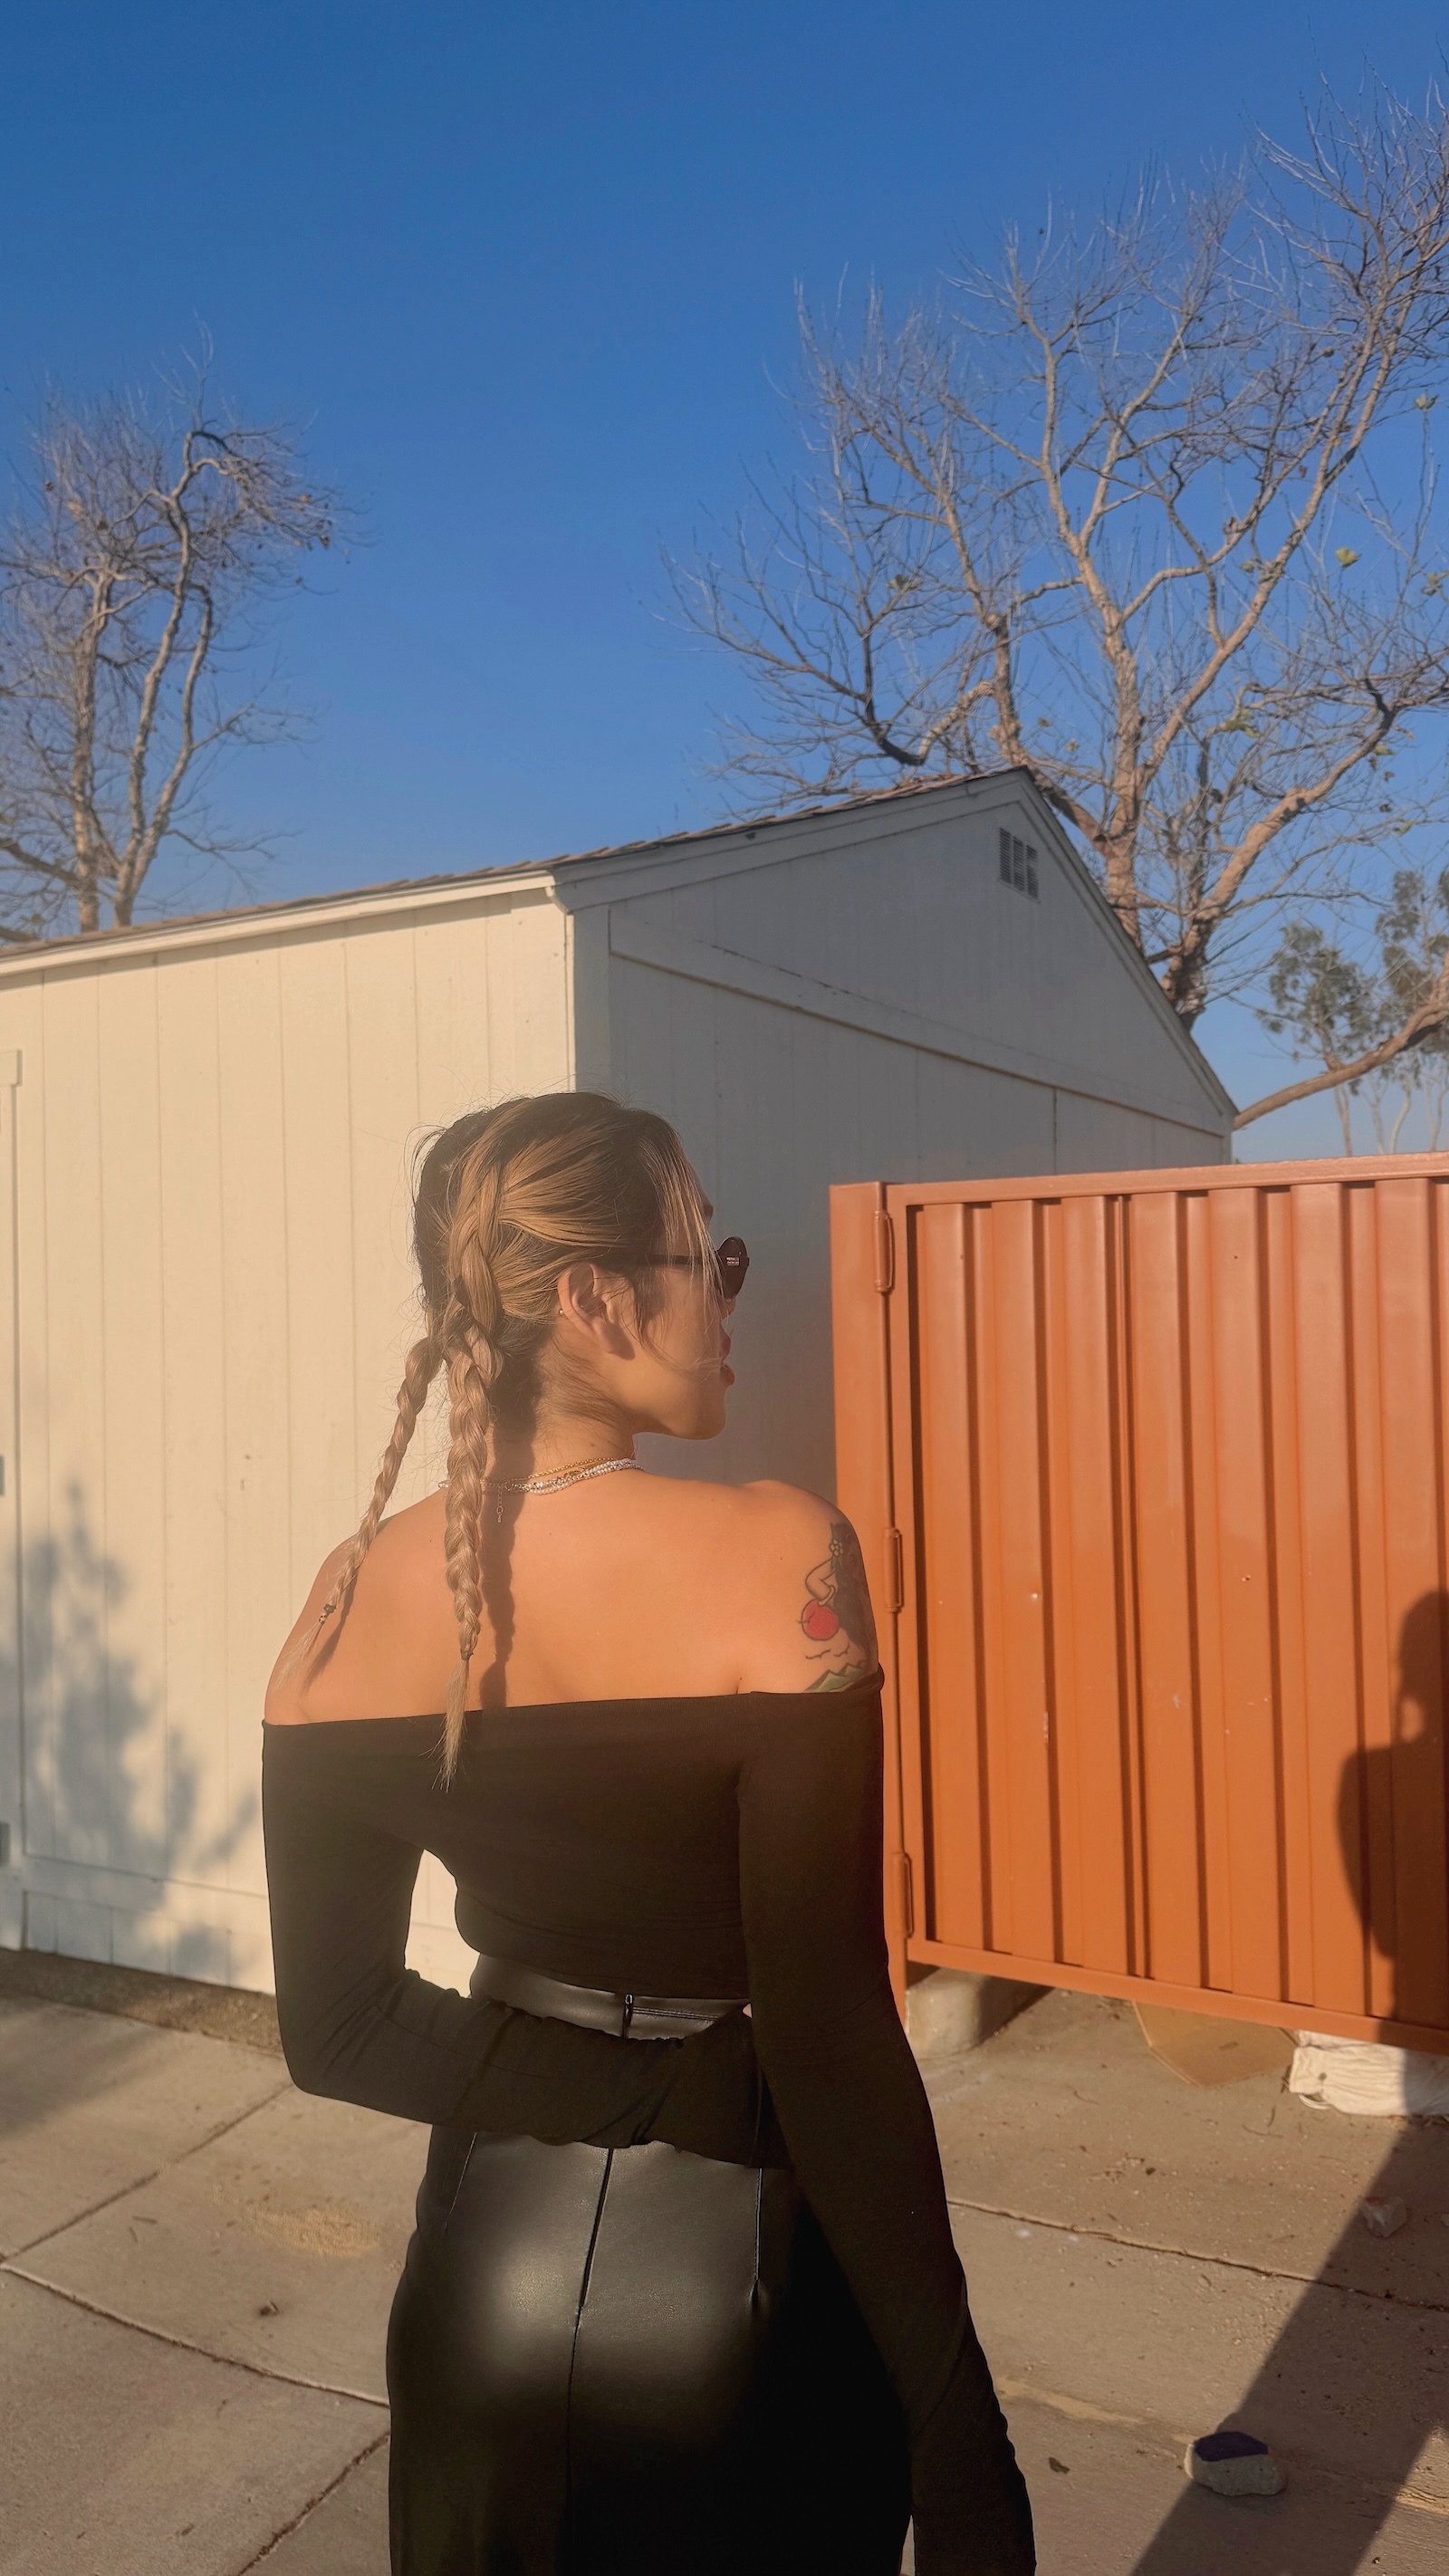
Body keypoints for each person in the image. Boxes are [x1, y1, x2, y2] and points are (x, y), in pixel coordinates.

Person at [262, 1091, 1033, 2576]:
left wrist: (644, 2092)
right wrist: (961, 2440)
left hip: (480, 2290)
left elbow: (337, 2029)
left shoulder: (343, 1602)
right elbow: (827, 2032)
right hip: (743, 2287)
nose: (733, 1300)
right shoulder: (779, 1553)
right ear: (596, 1298)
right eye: (713, 1260)